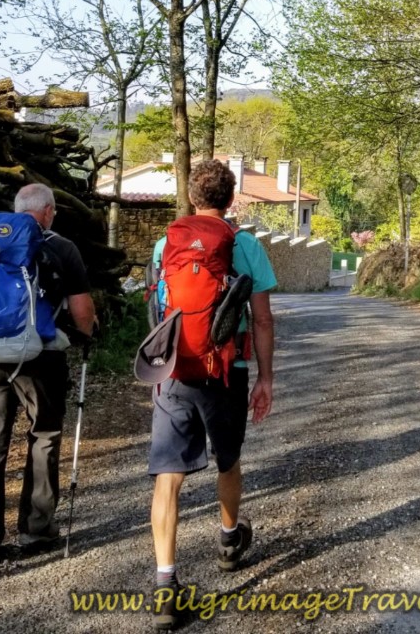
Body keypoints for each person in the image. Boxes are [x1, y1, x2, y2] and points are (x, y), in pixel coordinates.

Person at [146, 160, 276, 629]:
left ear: (191, 194)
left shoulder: (166, 242)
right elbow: (261, 320)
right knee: (228, 459)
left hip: (174, 371)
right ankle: (227, 539)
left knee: (168, 476)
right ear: (231, 196)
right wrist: (265, 377)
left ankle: (165, 584)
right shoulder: (244, 245)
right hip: (225, 370)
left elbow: (157, 306)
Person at [0, 182, 96, 567]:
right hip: (39, 358)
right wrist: (85, 338)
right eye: (53, 211)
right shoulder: (61, 247)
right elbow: (81, 307)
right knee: (43, 436)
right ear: (47, 211)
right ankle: (36, 528)